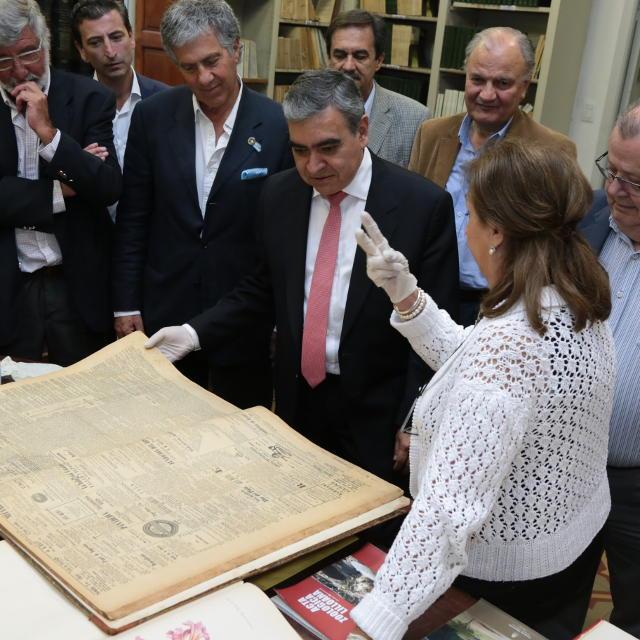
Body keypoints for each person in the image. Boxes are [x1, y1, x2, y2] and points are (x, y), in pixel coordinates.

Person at [350, 139, 614, 640]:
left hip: (506, 577)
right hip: (568, 547)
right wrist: (405, 294)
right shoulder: (570, 298)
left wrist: (379, 618)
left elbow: (448, 508)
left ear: (495, 230)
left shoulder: (513, 338)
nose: (465, 228)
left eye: (469, 214)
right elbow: (471, 357)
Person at [145, 69, 459, 485]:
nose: (313, 166)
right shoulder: (279, 195)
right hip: (297, 403)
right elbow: (261, 290)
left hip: (377, 414)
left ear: (362, 130)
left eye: (328, 148)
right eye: (299, 150)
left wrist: (416, 416)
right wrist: (193, 332)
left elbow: (437, 326)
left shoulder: (422, 206)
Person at [112, 0, 292, 407]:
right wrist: (126, 304)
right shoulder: (153, 117)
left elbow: (279, 243)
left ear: (236, 50)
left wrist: (279, 321)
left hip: (243, 321)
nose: (205, 77)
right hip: (164, 310)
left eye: (213, 61)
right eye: (190, 67)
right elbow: (134, 219)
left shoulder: (278, 126)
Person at [409, 27, 576, 326]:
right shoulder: (432, 134)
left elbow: (554, 246)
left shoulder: (552, 151)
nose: (486, 94)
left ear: (524, 87)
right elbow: (412, 215)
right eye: (477, 80)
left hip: (502, 306)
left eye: (502, 83)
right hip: (426, 296)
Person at [0, 0, 121, 365]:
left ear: (46, 43)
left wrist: (49, 134)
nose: (20, 71)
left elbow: (106, 187)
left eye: (28, 53)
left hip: (74, 284)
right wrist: (62, 190)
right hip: (10, 284)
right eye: (3, 61)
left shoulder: (89, 98)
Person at [573, 102, 640, 638]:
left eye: (635, 181)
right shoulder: (586, 219)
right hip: (566, 465)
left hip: (638, 489)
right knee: (553, 599)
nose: (616, 190)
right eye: (611, 170)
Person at [71, 0, 167, 171]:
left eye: (116, 37)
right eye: (95, 43)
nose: (110, 52)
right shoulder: (69, 106)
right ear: (82, 51)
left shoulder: (166, 100)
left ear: (131, 37)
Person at [326, 9, 429, 168]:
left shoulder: (414, 119)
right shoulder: (305, 112)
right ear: (328, 58)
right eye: (339, 55)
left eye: (360, 56)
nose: (348, 66)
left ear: (379, 61)